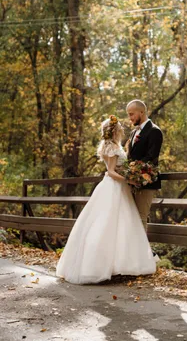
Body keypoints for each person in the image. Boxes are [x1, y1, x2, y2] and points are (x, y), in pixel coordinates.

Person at [56, 115, 156, 284]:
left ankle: (121, 265)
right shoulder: (111, 147)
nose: (122, 130)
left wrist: (130, 174)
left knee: (122, 224)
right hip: (113, 187)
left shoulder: (115, 146)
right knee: (108, 223)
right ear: (115, 131)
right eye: (120, 129)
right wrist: (128, 180)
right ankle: (99, 266)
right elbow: (110, 171)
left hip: (118, 187)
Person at [126, 100, 163, 232]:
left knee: (141, 217)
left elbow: (151, 158)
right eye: (129, 115)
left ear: (141, 112)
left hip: (146, 181)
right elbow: (130, 157)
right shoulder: (133, 133)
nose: (130, 118)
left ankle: (141, 252)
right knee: (130, 218)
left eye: (132, 114)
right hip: (131, 182)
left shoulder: (154, 131)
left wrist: (134, 173)